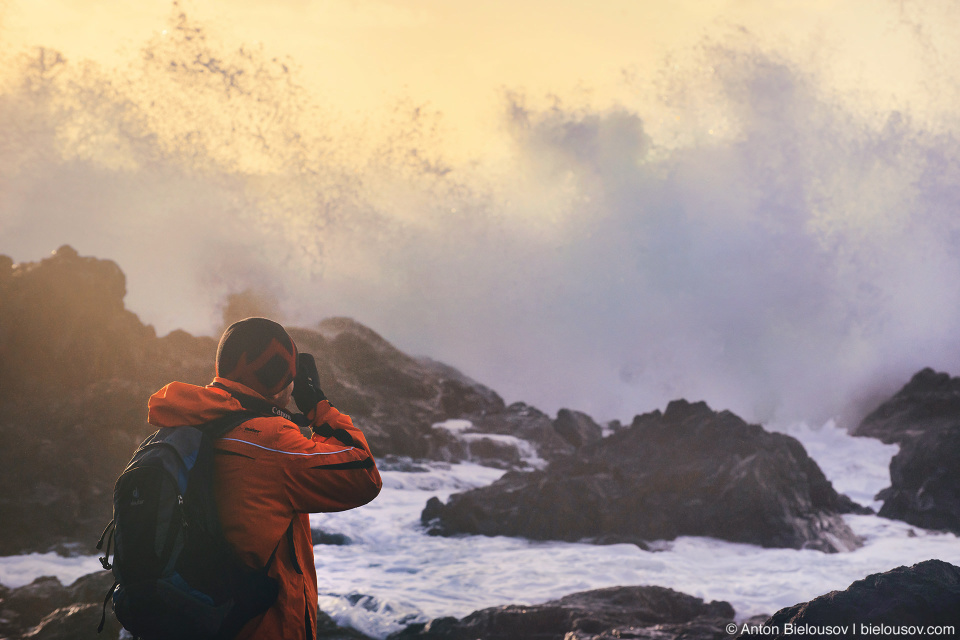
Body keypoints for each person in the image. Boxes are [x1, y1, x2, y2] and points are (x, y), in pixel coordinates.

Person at [145, 317, 382, 639]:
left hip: (193, 621)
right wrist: (318, 407)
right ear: (276, 375)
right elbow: (362, 474)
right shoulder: (267, 438)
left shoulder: (182, 428)